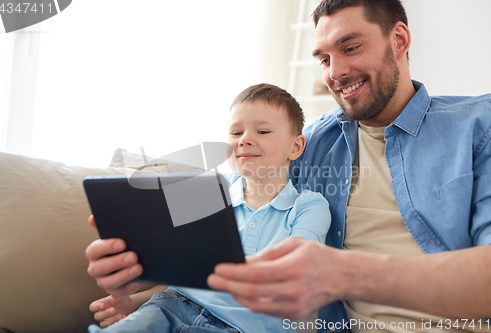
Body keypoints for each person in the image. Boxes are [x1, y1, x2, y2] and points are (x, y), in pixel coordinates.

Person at [86, 1, 491, 332]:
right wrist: (140, 261)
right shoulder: (313, 142)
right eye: (323, 59)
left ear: (399, 39)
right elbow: (234, 204)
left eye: (351, 48)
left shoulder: (479, 127)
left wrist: (344, 272)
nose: (335, 73)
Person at [86, 83, 331, 332]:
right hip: (169, 308)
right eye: (236, 133)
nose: (245, 140)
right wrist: (131, 303)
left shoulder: (309, 206)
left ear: (296, 147)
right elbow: (182, 275)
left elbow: (297, 271)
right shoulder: (209, 193)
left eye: (263, 131)